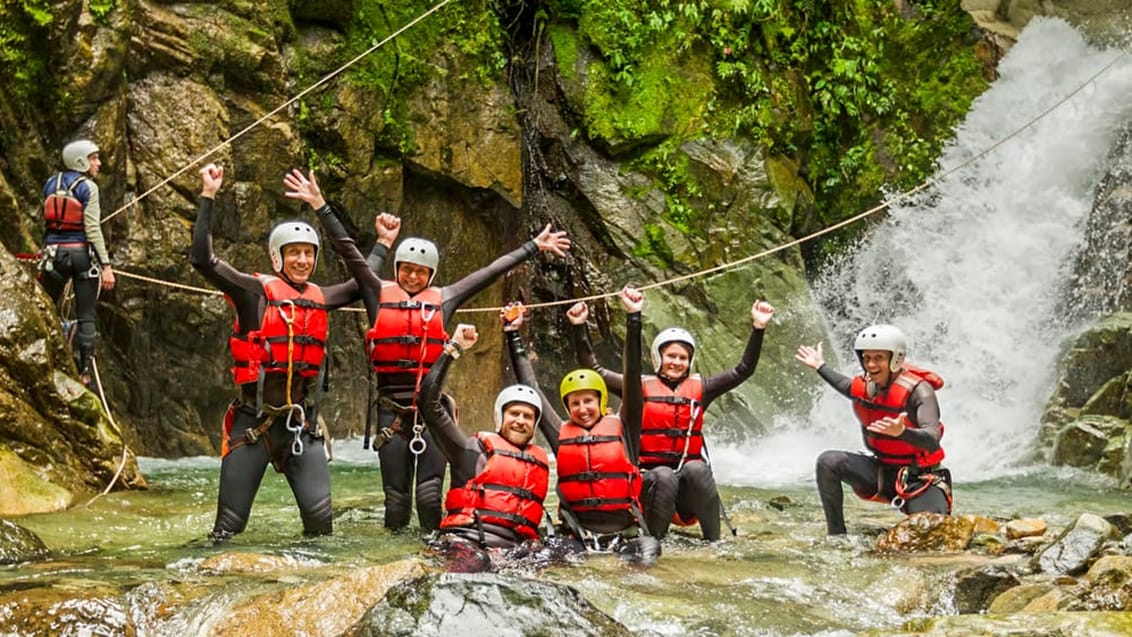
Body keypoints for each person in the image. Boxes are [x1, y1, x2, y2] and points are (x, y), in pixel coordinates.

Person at [282, 168, 570, 534]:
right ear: (397, 269)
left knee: (430, 496)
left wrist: (533, 246)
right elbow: (349, 251)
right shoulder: (376, 292)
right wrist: (320, 204)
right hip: (391, 414)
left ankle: (436, 556)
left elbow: (489, 272)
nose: (413, 278)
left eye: (421, 272)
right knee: (397, 499)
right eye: (407, 270)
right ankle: (397, 562)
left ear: (430, 275)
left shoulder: (445, 299)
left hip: (433, 412)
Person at [191, 163, 360, 542]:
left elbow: (364, 275)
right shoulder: (253, 293)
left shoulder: (323, 297)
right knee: (226, 531)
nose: (302, 260)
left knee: (322, 530)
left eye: (308, 253)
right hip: (253, 425)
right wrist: (208, 195)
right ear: (275, 257)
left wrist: (321, 206)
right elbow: (203, 260)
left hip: (301, 428)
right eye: (294, 253)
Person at [566, 298, 776, 541]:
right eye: (671, 356)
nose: (677, 362)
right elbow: (595, 369)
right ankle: (654, 544)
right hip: (649, 485)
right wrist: (579, 326)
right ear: (658, 357)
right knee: (664, 475)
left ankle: (714, 544)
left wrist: (758, 328)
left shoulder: (702, 388)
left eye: (683, 358)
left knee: (698, 468)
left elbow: (743, 370)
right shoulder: (637, 387)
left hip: (684, 492)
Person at [505, 288, 659, 565]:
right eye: (574, 403)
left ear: (601, 401)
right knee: (540, 563)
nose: (582, 409)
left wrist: (633, 318)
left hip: (627, 538)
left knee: (647, 564)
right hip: (576, 537)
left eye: (588, 401)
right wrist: (512, 333)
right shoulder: (560, 432)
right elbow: (532, 388)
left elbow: (633, 377)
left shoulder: (625, 427)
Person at [415, 323, 550, 570]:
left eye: (527, 417)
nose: (520, 421)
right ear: (500, 417)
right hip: (466, 544)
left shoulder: (539, 460)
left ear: (534, 424)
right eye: (514, 414)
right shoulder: (470, 450)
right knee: (474, 563)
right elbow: (428, 402)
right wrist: (453, 348)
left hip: (515, 552)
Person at [794, 323, 952, 536]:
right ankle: (837, 536)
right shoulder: (868, 386)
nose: (871, 364)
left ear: (895, 359)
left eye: (878, 358)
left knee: (930, 533)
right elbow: (846, 387)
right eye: (866, 358)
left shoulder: (919, 391)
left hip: (919, 479)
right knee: (828, 461)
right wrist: (820, 366)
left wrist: (902, 433)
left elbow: (932, 437)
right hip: (882, 472)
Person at [39, 138, 115, 387]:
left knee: (46, 304)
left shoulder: (51, 183)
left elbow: (47, 221)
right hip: (81, 256)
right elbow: (92, 228)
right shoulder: (88, 188)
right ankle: (84, 373)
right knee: (86, 316)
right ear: (81, 161)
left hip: (54, 255)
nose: (98, 163)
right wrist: (106, 266)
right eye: (94, 158)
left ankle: (46, 351)